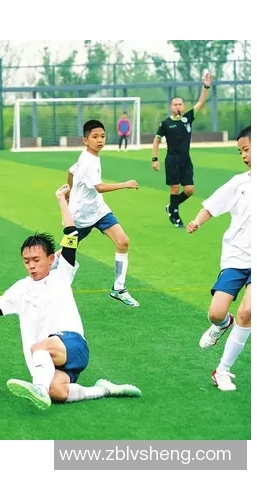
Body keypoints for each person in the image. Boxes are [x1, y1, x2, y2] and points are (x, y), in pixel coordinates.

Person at [0, 185, 142, 410]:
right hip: (51, 360)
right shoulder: (20, 289)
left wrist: (61, 199)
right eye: (27, 261)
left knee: (40, 347)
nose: (31, 266)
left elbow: (72, 234)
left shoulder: (62, 273)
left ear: (51, 258)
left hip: (72, 344)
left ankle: (39, 389)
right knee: (58, 391)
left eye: (36, 260)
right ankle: (102, 389)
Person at [187, 126, 251, 392]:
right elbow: (212, 205)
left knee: (247, 312)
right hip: (236, 257)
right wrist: (197, 221)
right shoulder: (239, 183)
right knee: (216, 313)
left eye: (247, 149)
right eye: (240, 152)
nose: (244, 156)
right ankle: (224, 324)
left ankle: (222, 370)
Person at [64, 119, 140, 307]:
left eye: (103, 136)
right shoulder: (88, 161)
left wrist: (68, 191)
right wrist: (125, 184)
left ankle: (119, 289)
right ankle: (46, 274)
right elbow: (99, 187)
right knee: (66, 252)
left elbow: (70, 171)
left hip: (98, 211)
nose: (100, 140)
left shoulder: (89, 156)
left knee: (123, 242)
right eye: (95, 137)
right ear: (85, 140)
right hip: (80, 217)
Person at [152, 71, 212, 228]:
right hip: (172, 159)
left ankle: (171, 207)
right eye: (175, 104)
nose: (178, 106)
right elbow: (156, 140)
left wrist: (206, 87)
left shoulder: (188, 118)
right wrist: (155, 159)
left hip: (185, 159)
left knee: (190, 190)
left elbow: (200, 103)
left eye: (180, 104)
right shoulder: (165, 124)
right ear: (170, 107)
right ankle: (175, 215)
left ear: (183, 106)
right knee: (174, 188)